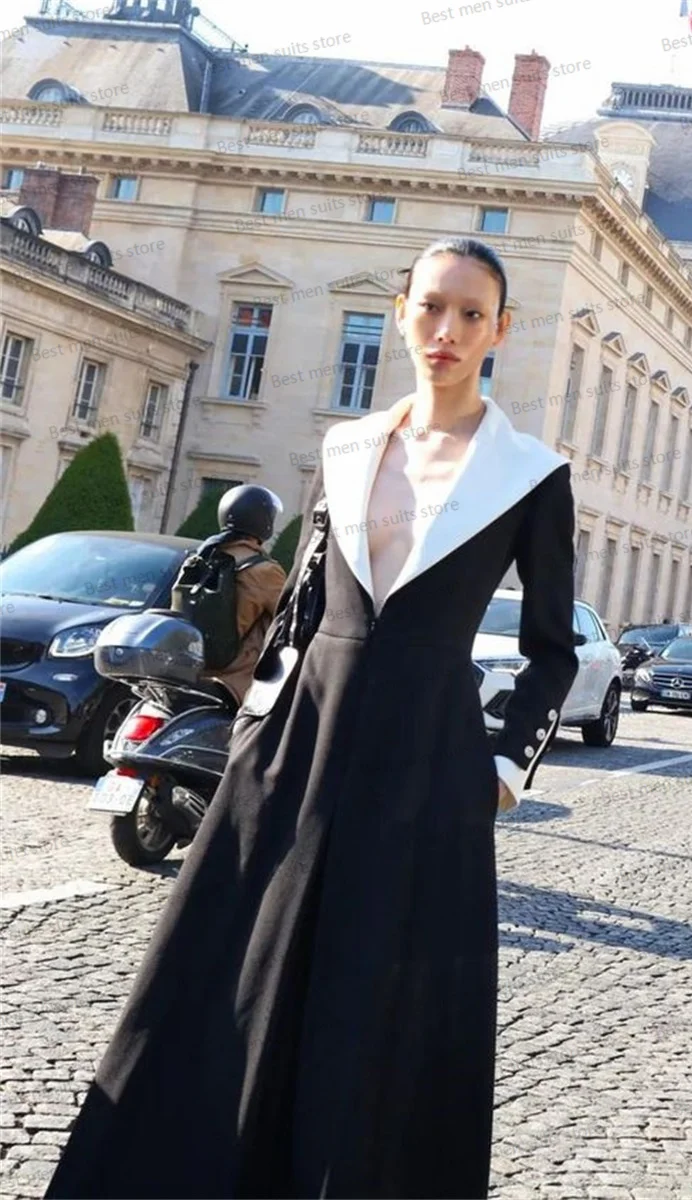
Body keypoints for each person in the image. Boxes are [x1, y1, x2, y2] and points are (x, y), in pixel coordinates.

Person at [45, 238, 579, 1200]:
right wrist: (254, 721)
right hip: (295, 745)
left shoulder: (532, 475)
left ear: (500, 332)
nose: (446, 331)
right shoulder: (345, 445)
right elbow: (301, 606)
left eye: (470, 314)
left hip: (430, 761)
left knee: (379, 1002)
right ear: (403, 311)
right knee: (227, 976)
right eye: (430, 307)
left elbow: (554, 648)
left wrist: (504, 770)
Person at [197, 484, 287, 705]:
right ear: (264, 521)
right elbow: (288, 616)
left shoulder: (201, 558)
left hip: (195, 668)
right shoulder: (265, 571)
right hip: (239, 679)